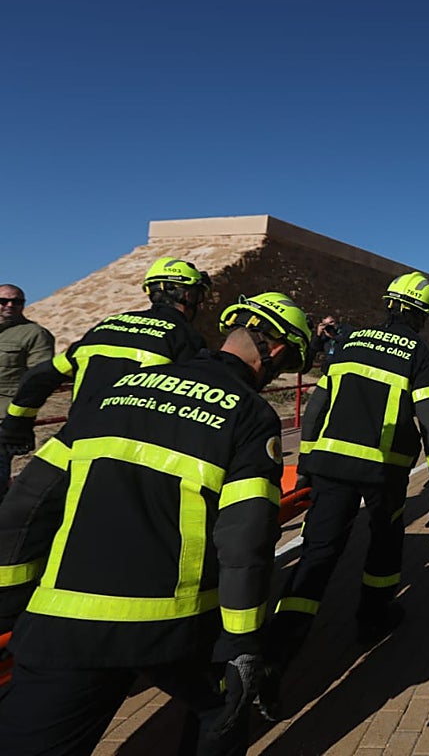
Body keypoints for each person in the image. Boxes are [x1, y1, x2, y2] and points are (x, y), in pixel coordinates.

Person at [0, 291, 313, 756]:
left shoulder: (117, 391)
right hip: (176, 627)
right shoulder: (249, 414)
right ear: (279, 353)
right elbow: (246, 540)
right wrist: (244, 643)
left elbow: (26, 505)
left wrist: (11, 604)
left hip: (66, 619)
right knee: (221, 714)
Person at [260, 271, 429, 712]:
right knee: (384, 546)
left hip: (328, 465)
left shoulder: (349, 342)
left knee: (317, 556)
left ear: (388, 304)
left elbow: (317, 407)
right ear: (422, 315)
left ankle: (276, 655)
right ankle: (373, 619)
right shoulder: (421, 353)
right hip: (382, 472)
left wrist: (306, 462)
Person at [0, 258, 210, 457]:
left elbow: (39, 376)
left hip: (72, 444)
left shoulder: (108, 325)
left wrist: (17, 425)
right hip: (129, 452)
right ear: (188, 295)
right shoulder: (186, 338)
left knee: (26, 495)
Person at [0, 284, 55, 497]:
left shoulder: (34, 335)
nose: (10, 305)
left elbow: (39, 379)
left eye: (17, 301)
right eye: (3, 301)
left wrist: (19, 420)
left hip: (4, 419)